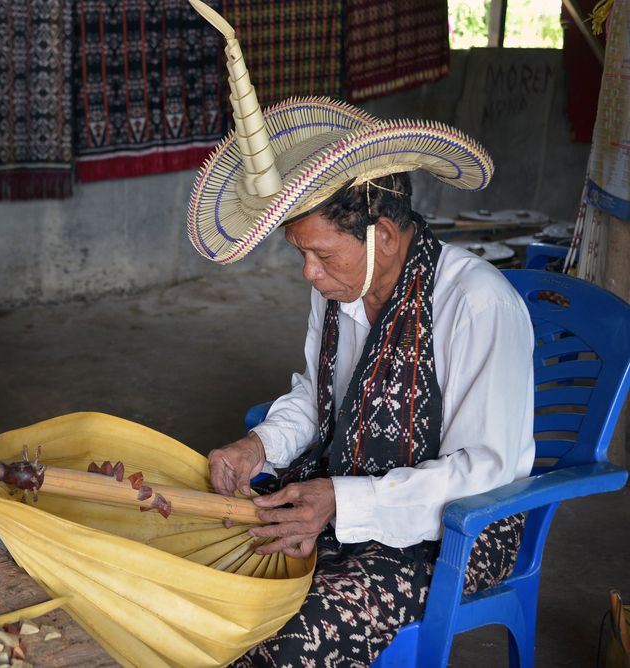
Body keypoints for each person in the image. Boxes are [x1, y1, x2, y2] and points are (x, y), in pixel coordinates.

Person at [184, 4, 534, 664]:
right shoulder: (343, 289)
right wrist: (259, 444)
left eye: (322, 254)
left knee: (292, 633)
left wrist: (342, 503)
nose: (310, 273)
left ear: (386, 236)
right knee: (215, 589)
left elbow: (483, 474)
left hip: (457, 531)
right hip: (350, 499)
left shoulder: (476, 304)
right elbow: (318, 402)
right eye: (300, 254)